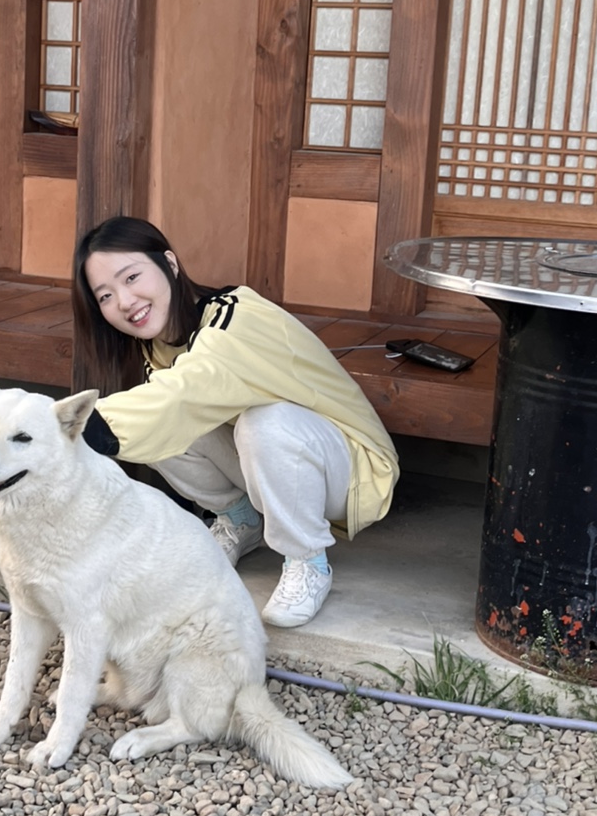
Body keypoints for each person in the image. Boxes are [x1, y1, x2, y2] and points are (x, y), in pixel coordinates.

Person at [72, 215, 399, 628]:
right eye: (105, 296)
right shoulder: (157, 346)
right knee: (158, 424)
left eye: (132, 277)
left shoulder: (235, 316)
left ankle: (307, 560)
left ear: (169, 264)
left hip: (351, 472)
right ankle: (241, 519)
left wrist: (68, 429)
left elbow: (193, 384)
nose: (124, 301)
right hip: (272, 468)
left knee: (260, 421)